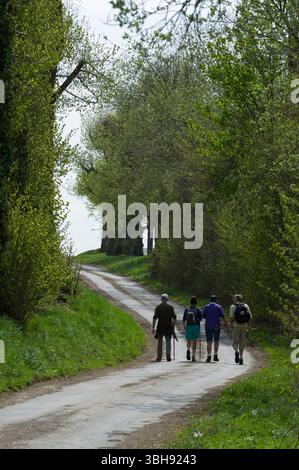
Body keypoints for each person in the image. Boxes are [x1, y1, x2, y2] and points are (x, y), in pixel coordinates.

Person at [152, 293, 176, 362]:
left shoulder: (158, 307)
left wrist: (153, 327)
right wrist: (173, 325)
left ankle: (159, 357)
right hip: (168, 327)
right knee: (168, 342)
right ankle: (168, 356)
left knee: (160, 342)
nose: (164, 300)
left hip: (160, 327)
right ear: (167, 300)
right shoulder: (170, 307)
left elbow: (155, 318)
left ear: (161, 300)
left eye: (163, 299)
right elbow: (174, 317)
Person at [229, 294, 252, 365]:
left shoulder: (233, 306)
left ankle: (236, 351)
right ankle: (241, 357)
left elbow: (231, 317)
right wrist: (249, 326)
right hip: (244, 326)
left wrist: (230, 324)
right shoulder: (246, 306)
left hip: (236, 326)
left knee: (235, 342)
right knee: (242, 342)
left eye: (234, 298)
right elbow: (250, 317)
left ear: (236, 299)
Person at [203, 295, 225, 362]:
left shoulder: (206, 307)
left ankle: (209, 356)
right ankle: (215, 355)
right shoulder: (219, 307)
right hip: (216, 326)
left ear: (210, 300)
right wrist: (226, 323)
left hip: (208, 326)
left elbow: (203, 316)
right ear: (216, 300)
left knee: (209, 341)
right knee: (216, 340)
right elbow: (222, 316)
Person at [183, 296, 203, 362]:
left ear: (190, 302)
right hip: (196, 326)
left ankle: (188, 349)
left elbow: (184, 319)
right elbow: (201, 319)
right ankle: (193, 356)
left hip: (188, 326)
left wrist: (184, 327)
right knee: (194, 342)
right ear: (196, 302)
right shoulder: (198, 309)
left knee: (189, 340)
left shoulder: (187, 309)